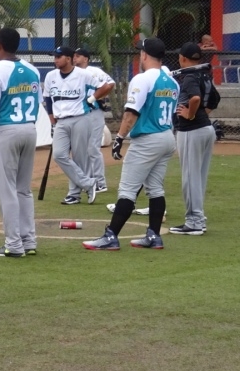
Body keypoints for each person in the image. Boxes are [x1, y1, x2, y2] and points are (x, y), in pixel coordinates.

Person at [83, 37, 178, 251]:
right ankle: (153, 236)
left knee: (127, 189)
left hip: (147, 140)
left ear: (144, 55)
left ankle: (111, 236)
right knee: (155, 188)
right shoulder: (172, 81)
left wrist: (119, 138)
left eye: (140, 52)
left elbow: (131, 113)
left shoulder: (142, 79)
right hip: (166, 136)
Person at [0, 28, 42, 258]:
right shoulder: (32, 70)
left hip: (6, 131)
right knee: (23, 189)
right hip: (30, 129)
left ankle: (13, 244)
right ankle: (29, 240)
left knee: (7, 191)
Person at [170, 42, 219, 235]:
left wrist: (191, 114)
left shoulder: (189, 76)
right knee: (198, 177)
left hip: (192, 130)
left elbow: (196, 98)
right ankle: (199, 218)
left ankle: (194, 221)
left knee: (190, 178)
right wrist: (201, 114)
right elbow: (214, 99)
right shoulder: (204, 74)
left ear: (182, 58)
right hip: (206, 129)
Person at [43, 46, 101, 205]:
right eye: (54, 57)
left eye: (58, 57)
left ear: (68, 59)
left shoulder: (83, 74)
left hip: (80, 118)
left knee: (79, 157)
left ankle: (74, 194)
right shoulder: (50, 76)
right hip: (60, 120)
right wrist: (51, 120)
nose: (55, 60)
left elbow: (104, 87)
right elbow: (48, 99)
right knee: (59, 154)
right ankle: (88, 183)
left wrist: (91, 100)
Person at [73, 48, 115, 194]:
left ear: (86, 59)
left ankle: (100, 182)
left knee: (93, 148)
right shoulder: (72, 73)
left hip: (94, 112)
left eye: (78, 56)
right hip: (79, 115)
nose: (74, 58)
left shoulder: (94, 71)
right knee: (82, 149)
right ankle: (88, 180)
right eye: (73, 56)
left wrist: (93, 98)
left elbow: (110, 84)